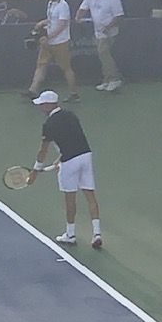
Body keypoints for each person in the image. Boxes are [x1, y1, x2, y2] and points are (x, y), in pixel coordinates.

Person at [27, 90, 103, 249]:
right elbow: (74, 139)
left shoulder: (48, 124)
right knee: (90, 196)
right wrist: (59, 159)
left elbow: (43, 150)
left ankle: (70, 235)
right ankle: (97, 233)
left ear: (49, 105)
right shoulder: (71, 115)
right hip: (85, 156)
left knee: (70, 199)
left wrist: (35, 171)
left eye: (42, 104)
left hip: (70, 162)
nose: (40, 108)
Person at [21, 0, 79, 104]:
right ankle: (32, 91)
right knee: (41, 65)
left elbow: (62, 25)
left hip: (60, 43)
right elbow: (52, 19)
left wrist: (48, 37)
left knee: (66, 68)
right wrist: (42, 22)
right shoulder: (50, 4)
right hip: (48, 43)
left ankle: (74, 94)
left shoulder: (63, 6)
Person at [75, 0, 124, 92]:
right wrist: (78, 17)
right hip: (98, 30)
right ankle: (107, 80)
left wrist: (108, 27)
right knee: (103, 55)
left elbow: (119, 16)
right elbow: (83, 7)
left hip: (109, 31)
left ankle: (115, 79)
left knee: (103, 52)